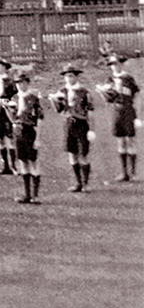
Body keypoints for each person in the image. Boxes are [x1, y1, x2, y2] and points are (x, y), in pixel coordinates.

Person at [50, 64, 94, 192]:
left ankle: (86, 183)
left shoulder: (84, 92)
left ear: (76, 76)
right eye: (66, 76)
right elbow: (59, 110)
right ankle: (78, 182)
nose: (68, 79)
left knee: (83, 154)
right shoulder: (62, 92)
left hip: (81, 124)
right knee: (72, 153)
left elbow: (90, 112)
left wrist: (91, 129)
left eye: (71, 76)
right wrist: (54, 100)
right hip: (69, 124)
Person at [102, 55, 139, 182]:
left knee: (130, 140)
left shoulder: (128, 78)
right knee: (120, 140)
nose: (114, 66)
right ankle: (124, 172)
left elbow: (136, 95)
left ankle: (133, 171)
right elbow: (108, 98)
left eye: (116, 63)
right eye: (112, 64)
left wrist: (137, 114)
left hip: (128, 110)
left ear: (121, 64)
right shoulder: (109, 80)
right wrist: (104, 92)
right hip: (117, 111)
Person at [10, 73, 44, 204]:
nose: (20, 85)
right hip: (18, 131)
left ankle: (36, 195)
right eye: (18, 83)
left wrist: (38, 138)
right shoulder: (14, 98)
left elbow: (40, 119)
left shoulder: (33, 98)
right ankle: (27, 194)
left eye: (22, 82)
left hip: (30, 131)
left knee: (33, 161)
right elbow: (13, 117)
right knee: (22, 161)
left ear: (27, 83)